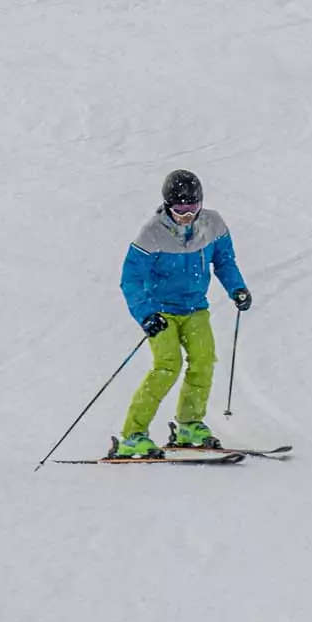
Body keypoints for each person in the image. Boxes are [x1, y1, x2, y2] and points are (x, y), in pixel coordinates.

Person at [112, 169, 250, 459]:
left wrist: (237, 288)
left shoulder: (213, 225)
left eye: (192, 208)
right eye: (179, 209)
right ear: (167, 205)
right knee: (167, 366)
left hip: (195, 309)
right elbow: (131, 280)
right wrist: (146, 314)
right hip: (161, 312)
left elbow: (224, 262)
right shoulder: (151, 234)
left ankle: (189, 425)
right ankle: (132, 435)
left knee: (204, 361)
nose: (186, 215)